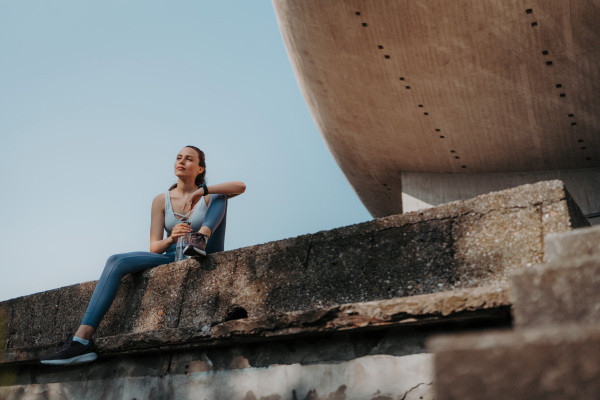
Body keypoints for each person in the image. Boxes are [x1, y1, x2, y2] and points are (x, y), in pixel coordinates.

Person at [40, 145, 246, 365]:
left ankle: (200, 239)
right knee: (115, 261)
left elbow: (241, 186)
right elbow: (154, 247)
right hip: (173, 256)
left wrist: (203, 190)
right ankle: (81, 341)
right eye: (178, 157)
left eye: (189, 159)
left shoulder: (208, 194)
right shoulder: (161, 200)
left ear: (200, 169)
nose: (181, 161)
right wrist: (171, 238)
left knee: (220, 195)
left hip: (205, 252)